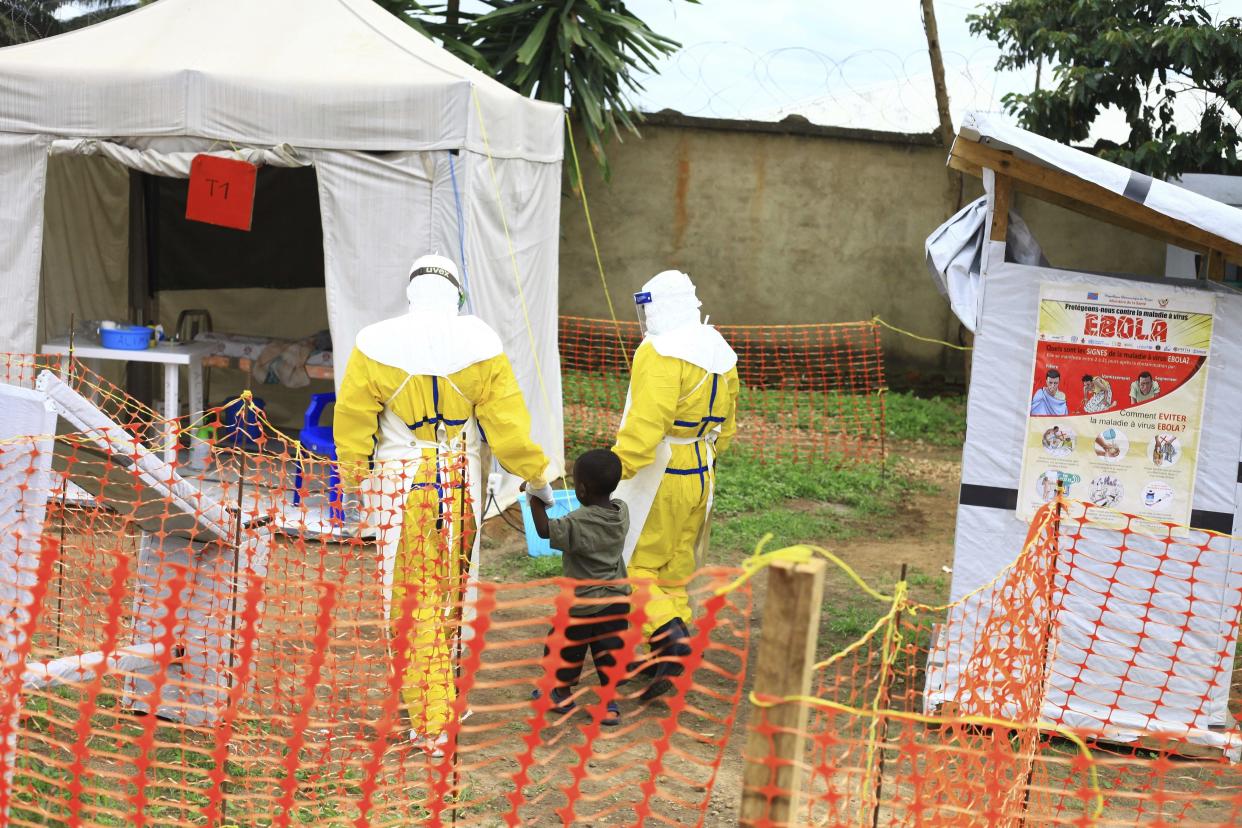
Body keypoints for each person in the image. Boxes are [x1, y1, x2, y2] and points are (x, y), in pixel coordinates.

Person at [334, 254, 554, 757]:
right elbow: (510, 431)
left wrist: (354, 484)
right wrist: (538, 481)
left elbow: (352, 423)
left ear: (411, 290)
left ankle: (431, 720)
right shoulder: (481, 345)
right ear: (455, 292)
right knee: (454, 592)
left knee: (414, 602)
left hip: (402, 485)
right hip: (461, 485)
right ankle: (445, 701)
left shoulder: (374, 343)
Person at [612, 270, 739, 702]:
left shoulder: (660, 352)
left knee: (630, 565)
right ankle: (668, 657)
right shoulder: (720, 350)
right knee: (674, 572)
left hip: (661, 470)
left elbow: (647, 424)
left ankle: (669, 639)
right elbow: (730, 426)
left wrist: (615, 469)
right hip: (702, 470)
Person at [524, 449, 630, 727]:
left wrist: (536, 500)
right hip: (616, 601)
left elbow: (546, 531)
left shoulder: (577, 523)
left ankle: (560, 694)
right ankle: (609, 706)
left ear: (581, 488)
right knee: (609, 652)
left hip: (581, 605)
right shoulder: (621, 512)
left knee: (564, 647)